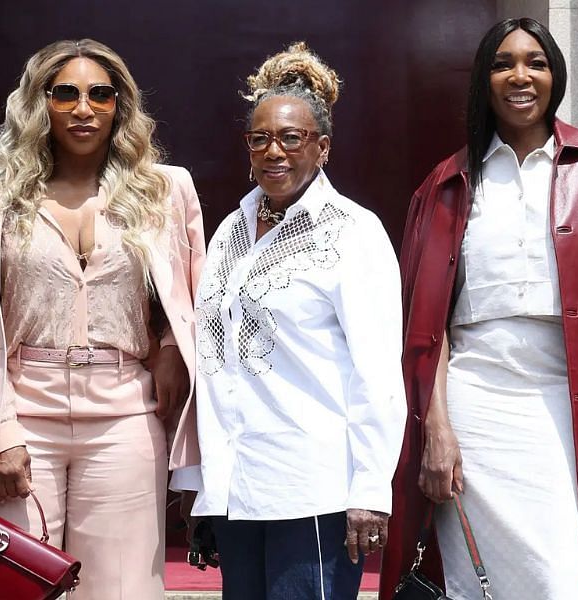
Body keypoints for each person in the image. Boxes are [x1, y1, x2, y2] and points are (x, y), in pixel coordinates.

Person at [380, 18, 578, 600]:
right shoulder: (448, 183)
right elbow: (424, 326)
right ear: (484, 80)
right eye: (503, 63)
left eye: (535, 61)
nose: (520, 75)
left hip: (577, 403)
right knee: (478, 583)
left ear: (555, 75)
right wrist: (436, 427)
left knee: (566, 582)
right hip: (476, 404)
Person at [0, 39, 204, 599]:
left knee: (124, 588)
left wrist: (173, 354)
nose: (84, 108)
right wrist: (0, 431)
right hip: (22, 412)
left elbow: (190, 301)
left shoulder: (165, 189)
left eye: (99, 94)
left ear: (119, 105)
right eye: (66, 94)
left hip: (125, 414)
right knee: (16, 587)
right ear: (41, 103)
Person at [173, 43, 405, 600]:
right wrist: (198, 481)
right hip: (236, 487)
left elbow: (377, 371)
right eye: (259, 139)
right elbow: (213, 358)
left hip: (313, 490)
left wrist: (371, 489)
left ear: (322, 148)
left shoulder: (353, 231)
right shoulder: (230, 228)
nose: (273, 151)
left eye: (291, 137)